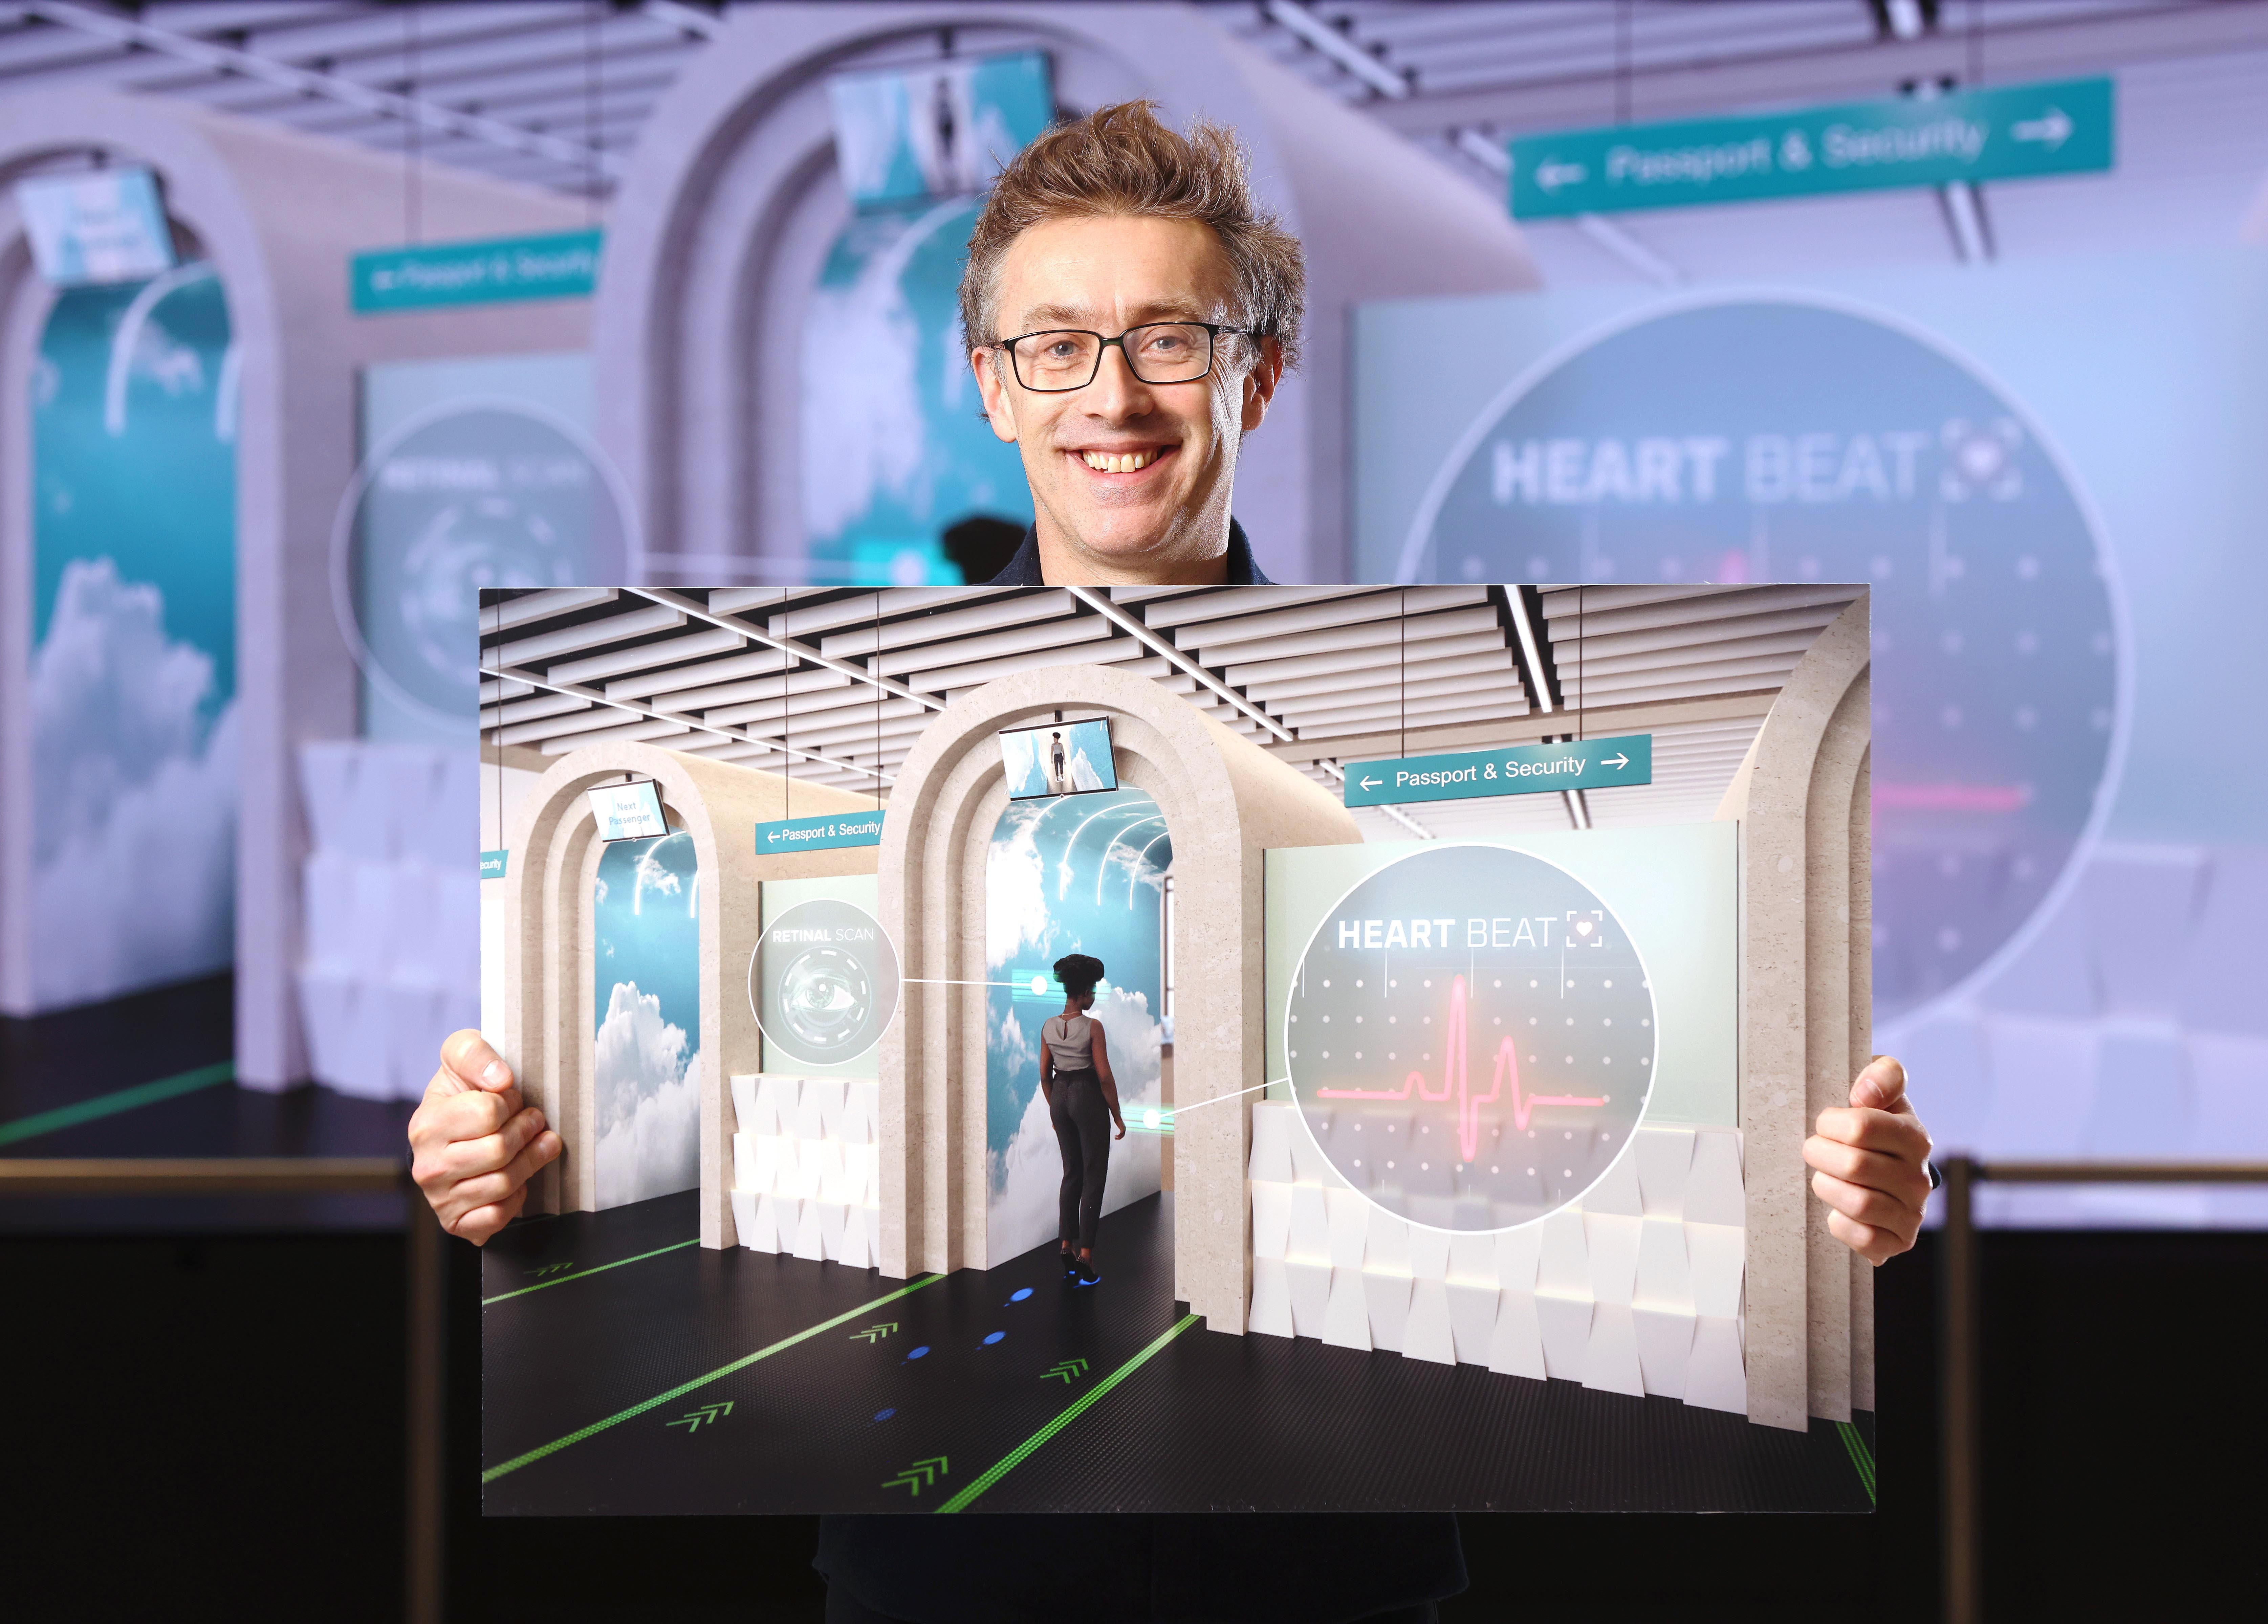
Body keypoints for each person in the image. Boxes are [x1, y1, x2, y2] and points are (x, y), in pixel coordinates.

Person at [413, 102, 1940, 1624]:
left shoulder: (1405, 725)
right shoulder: (841, 743)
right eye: (1056, 344)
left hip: (1334, 1575)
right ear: (992, 386)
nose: (1113, 395)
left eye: (1169, 339)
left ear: (1257, 373)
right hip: (944, 1576)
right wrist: (503, 1157)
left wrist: (1833, 1199)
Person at [1041, 952, 1127, 1284]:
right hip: (1086, 1095)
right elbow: (1104, 1076)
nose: (1094, 995)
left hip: (1060, 1094)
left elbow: (1044, 1074)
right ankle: (1086, 1254)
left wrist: (1054, 1108)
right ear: (1083, 992)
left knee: (1071, 1172)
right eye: (1093, 989)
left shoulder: (1048, 1026)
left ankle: (1066, 1243)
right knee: (1093, 1174)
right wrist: (1117, 1114)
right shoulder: (1093, 1027)